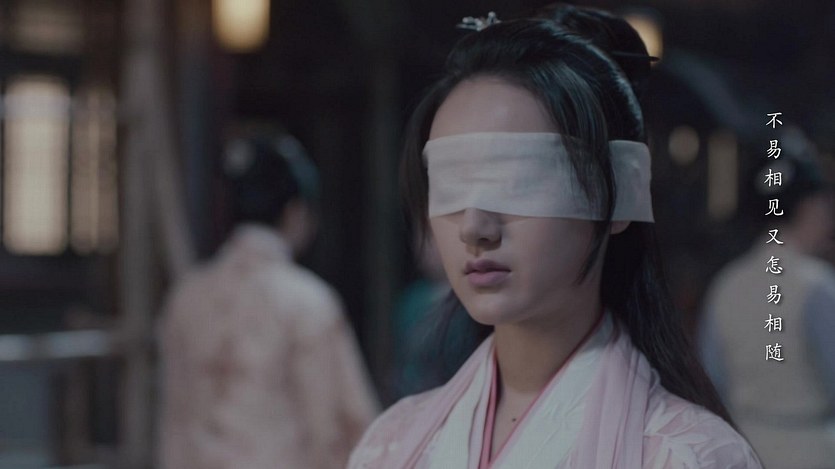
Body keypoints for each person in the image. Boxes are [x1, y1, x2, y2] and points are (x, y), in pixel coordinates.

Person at [349, 4, 762, 468]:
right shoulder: (391, 443)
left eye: (518, 181)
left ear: (618, 195)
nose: (474, 228)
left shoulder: (690, 455)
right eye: (450, 186)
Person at [158, 134, 378, 469]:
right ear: (295, 212)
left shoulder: (186, 297)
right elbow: (338, 429)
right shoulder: (307, 302)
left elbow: (173, 424)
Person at [700, 129, 835, 468]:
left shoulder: (726, 284)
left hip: (743, 446)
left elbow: (712, 380)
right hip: (811, 449)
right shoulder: (816, 285)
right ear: (808, 207)